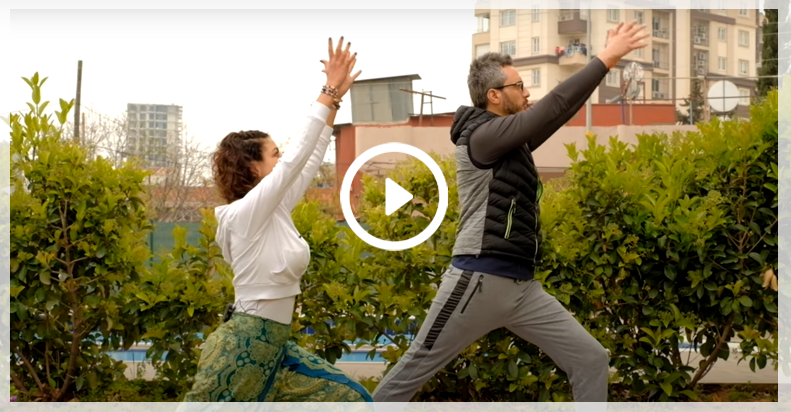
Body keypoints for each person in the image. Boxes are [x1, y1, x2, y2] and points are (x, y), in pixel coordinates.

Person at [371, 21, 648, 412]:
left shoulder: (511, 140)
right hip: (477, 279)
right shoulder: (482, 137)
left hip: (522, 289)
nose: (527, 92)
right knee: (413, 369)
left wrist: (605, 66)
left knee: (590, 358)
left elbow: (559, 111)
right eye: (519, 86)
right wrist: (606, 57)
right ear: (494, 95)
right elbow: (553, 106)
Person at [176, 37, 374, 412]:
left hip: (275, 346)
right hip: (245, 347)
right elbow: (295, 159)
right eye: (273, 154)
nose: (281, 159)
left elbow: (308, 159)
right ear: (252, 168)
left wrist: (334, 103)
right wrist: (328, 89)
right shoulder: (243, 214)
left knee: (350, 401)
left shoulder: (274, 210)